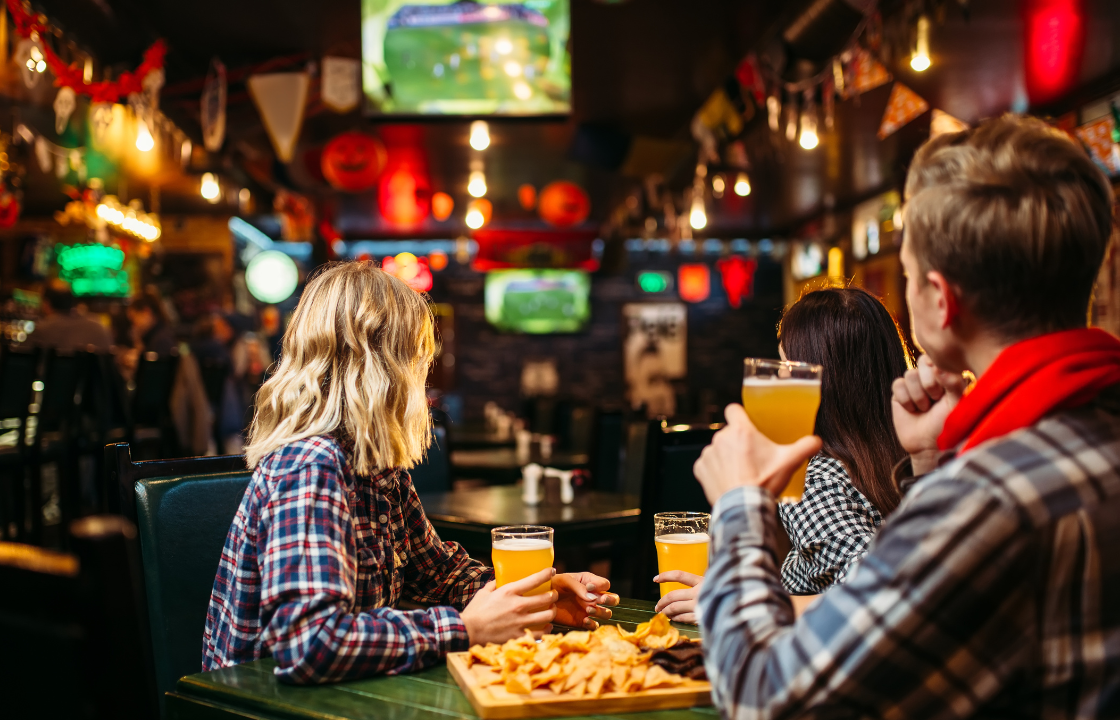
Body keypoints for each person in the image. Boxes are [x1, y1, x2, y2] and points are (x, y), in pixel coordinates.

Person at [691, 114, 1120, 717]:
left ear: (941, 301)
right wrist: (930, 461)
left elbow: (766, 697)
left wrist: (739, 506)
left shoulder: (990, 498)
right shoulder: (1076, 437)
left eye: (911, 275)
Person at [203, 262, 617, 683]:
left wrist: (533, 595)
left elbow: (438, 573)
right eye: (417, 357)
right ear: (382, 367)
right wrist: (466, 630)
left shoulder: (374, 462)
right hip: (262, 704)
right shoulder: (312, 464)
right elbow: (311, 644)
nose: (424, 374)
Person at [656, 286, 914, 619]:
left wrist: (742, 605)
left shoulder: (813, 477)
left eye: (786, 369)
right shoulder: (915, 456)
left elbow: (879, 599)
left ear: (819, 385)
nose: (777, 380)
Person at [25, 288, 112, 353]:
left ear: (46, 304)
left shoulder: (42, 329)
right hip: (96, 378)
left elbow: (20, 361)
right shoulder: (99, 326)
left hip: (54, 377)